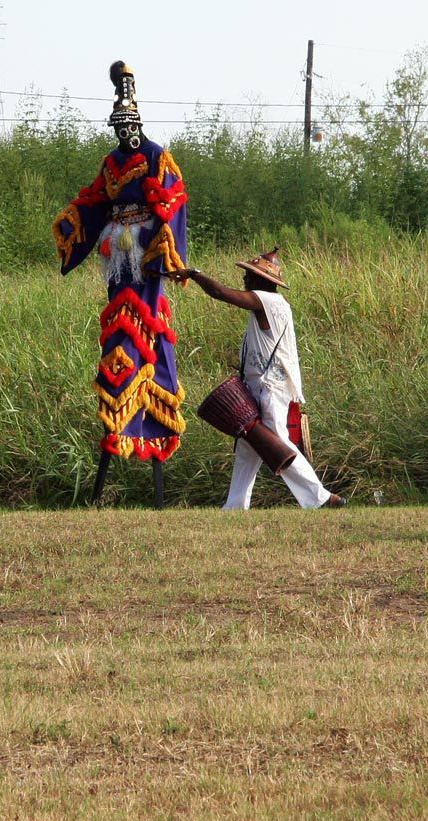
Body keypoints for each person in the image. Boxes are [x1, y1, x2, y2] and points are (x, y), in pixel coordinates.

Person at [52, 62, 190, 505]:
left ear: (138, 122)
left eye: (128, 124)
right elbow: (94, 200)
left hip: (145, 253)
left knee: (148, 331)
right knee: (118, 330)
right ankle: (120, 417)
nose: (122, 132)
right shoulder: (110, 163)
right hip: (117, 256)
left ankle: (150, 424)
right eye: (117, 126)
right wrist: (72, 222)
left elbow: (173, 196)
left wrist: (163, 236)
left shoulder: (155, 154)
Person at [165, 248, 344, 510]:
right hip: (264, 384)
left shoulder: (268, 301)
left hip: (269, 386)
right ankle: (235, 506)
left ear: (262, 281)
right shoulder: (276, 304)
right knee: (249, 447)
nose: (245, 280)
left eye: (249, 275)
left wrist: (194, 274)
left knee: (276, 444)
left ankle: (322, 498)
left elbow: (220, 293)